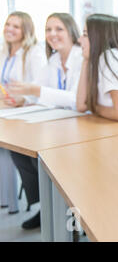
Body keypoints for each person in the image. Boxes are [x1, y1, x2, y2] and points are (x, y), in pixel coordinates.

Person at [5, 13, 83, 230]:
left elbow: (76, 99)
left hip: (80, 123)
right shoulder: (54, 59)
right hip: (60, 122)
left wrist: (34, 90)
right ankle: (46, 206)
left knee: (47, 156)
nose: (52, 34)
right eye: (48, 29)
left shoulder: (81, 57)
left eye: (58, 29)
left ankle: (71, 210)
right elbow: (35, 90)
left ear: (71, 32)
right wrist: (21, 97)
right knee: (20, 151)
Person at [0, 12, 46, 219]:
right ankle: (35, 204)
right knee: (15, 155)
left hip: (29, 114)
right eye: (8, 24)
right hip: (8, 112)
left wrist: (23, 99)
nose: (9, 28)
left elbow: (41, 88)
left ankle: (44, 206)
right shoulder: (4, 52)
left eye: (16, 26)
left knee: (27, 157)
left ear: (26, 30)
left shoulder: (34, 53)